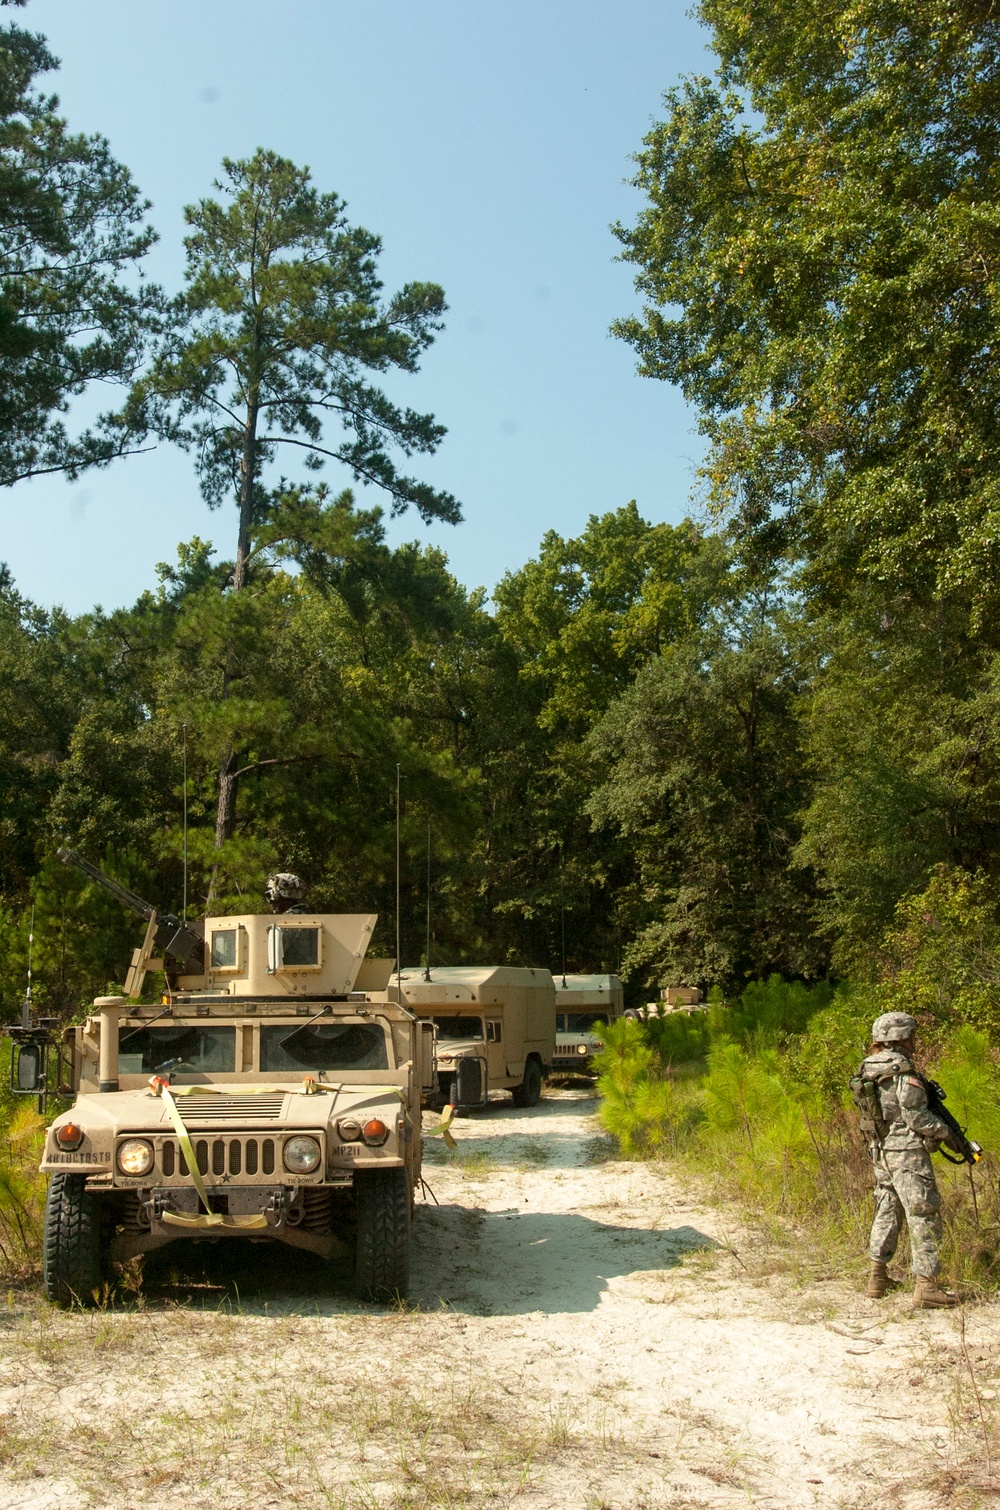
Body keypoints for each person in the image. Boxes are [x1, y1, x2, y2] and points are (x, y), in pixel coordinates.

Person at [855, 1012, 959, 1308]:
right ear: (900, 1037)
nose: (914, 1041)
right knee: (923, 1211)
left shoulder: (868, 1066)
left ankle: (878, 1276)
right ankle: (927, 1286)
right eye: (911, 1035)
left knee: (887, 1205)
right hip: (907, 1153)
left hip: (880, 1149)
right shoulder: (902, 1069)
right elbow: (915, 1115)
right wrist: (944, 1131)